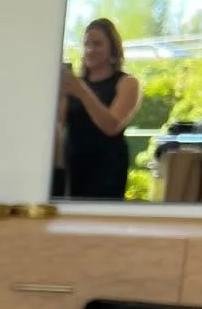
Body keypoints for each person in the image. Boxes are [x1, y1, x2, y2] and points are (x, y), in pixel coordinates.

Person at [59, 18, 142, 199]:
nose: (90, 49)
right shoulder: (75, 84)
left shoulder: (127, 83)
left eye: (97, 44)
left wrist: (81, 91)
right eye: (86, 44)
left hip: (107, 167)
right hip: (74, 162)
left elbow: (111, 126)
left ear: (112, 48)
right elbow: (59, 123)